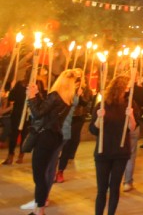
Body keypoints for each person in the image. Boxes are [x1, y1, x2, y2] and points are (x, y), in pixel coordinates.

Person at [26, 68, 76, 215]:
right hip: (54, 137)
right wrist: (38, 95)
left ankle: (40, 209)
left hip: (45, 137)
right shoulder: (67, 99)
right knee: (42, 172)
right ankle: (38, 208)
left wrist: (30, 98)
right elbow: (47, 108)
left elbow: (38, 113)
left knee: (39, 174)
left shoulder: (55, 95)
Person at [89, 75, 140, 215]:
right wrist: (99, 118)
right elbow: (93, 130)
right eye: (127, 86)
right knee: (102, 189)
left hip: (121, 152)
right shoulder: (102, 105)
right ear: (120, 87)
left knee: (115, 187)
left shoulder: (130, 104)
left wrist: (131, 116)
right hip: (103, 152)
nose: (129, 89)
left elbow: (132, 128)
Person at [56, 72, 91, 183]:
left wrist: (79, 95)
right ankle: (53, 168)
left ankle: (60, 170)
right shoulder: (64, 89)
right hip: (64, 119)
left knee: (70, 141)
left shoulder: (85, 90)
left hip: (77, 118)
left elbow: (85, 103)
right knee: (57, 145)